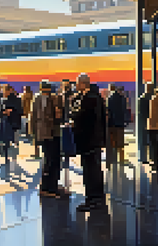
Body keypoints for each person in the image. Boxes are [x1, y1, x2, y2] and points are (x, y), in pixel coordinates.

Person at [69, 74, 106, 212]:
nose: (76, 86)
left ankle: (92, 199)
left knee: (90, 171)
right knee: (94, 169)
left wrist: (74, 117)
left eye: (78, 83)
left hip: (89, 141)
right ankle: (97, 198)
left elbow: (83, 117)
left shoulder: (90, 99)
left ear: (84, 84)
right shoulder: (95, 97)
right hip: (93, 141)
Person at [31, 81, 65, 198]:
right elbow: (38, 117)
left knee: (52, 160)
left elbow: (34, 118)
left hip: (50, 133)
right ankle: (48, 187)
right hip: (48, 134)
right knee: (51, 161)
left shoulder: (42, 99)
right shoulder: (43, 99)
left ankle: (51, 185)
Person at [106, 84, 127, 165]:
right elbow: (124, 110)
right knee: (120, 145)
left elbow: (108, 111)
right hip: (120, 124)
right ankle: (121, 160)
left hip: (111, 124)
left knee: (112, 144)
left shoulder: (110, 98)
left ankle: (112, 161)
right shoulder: (122, 98)